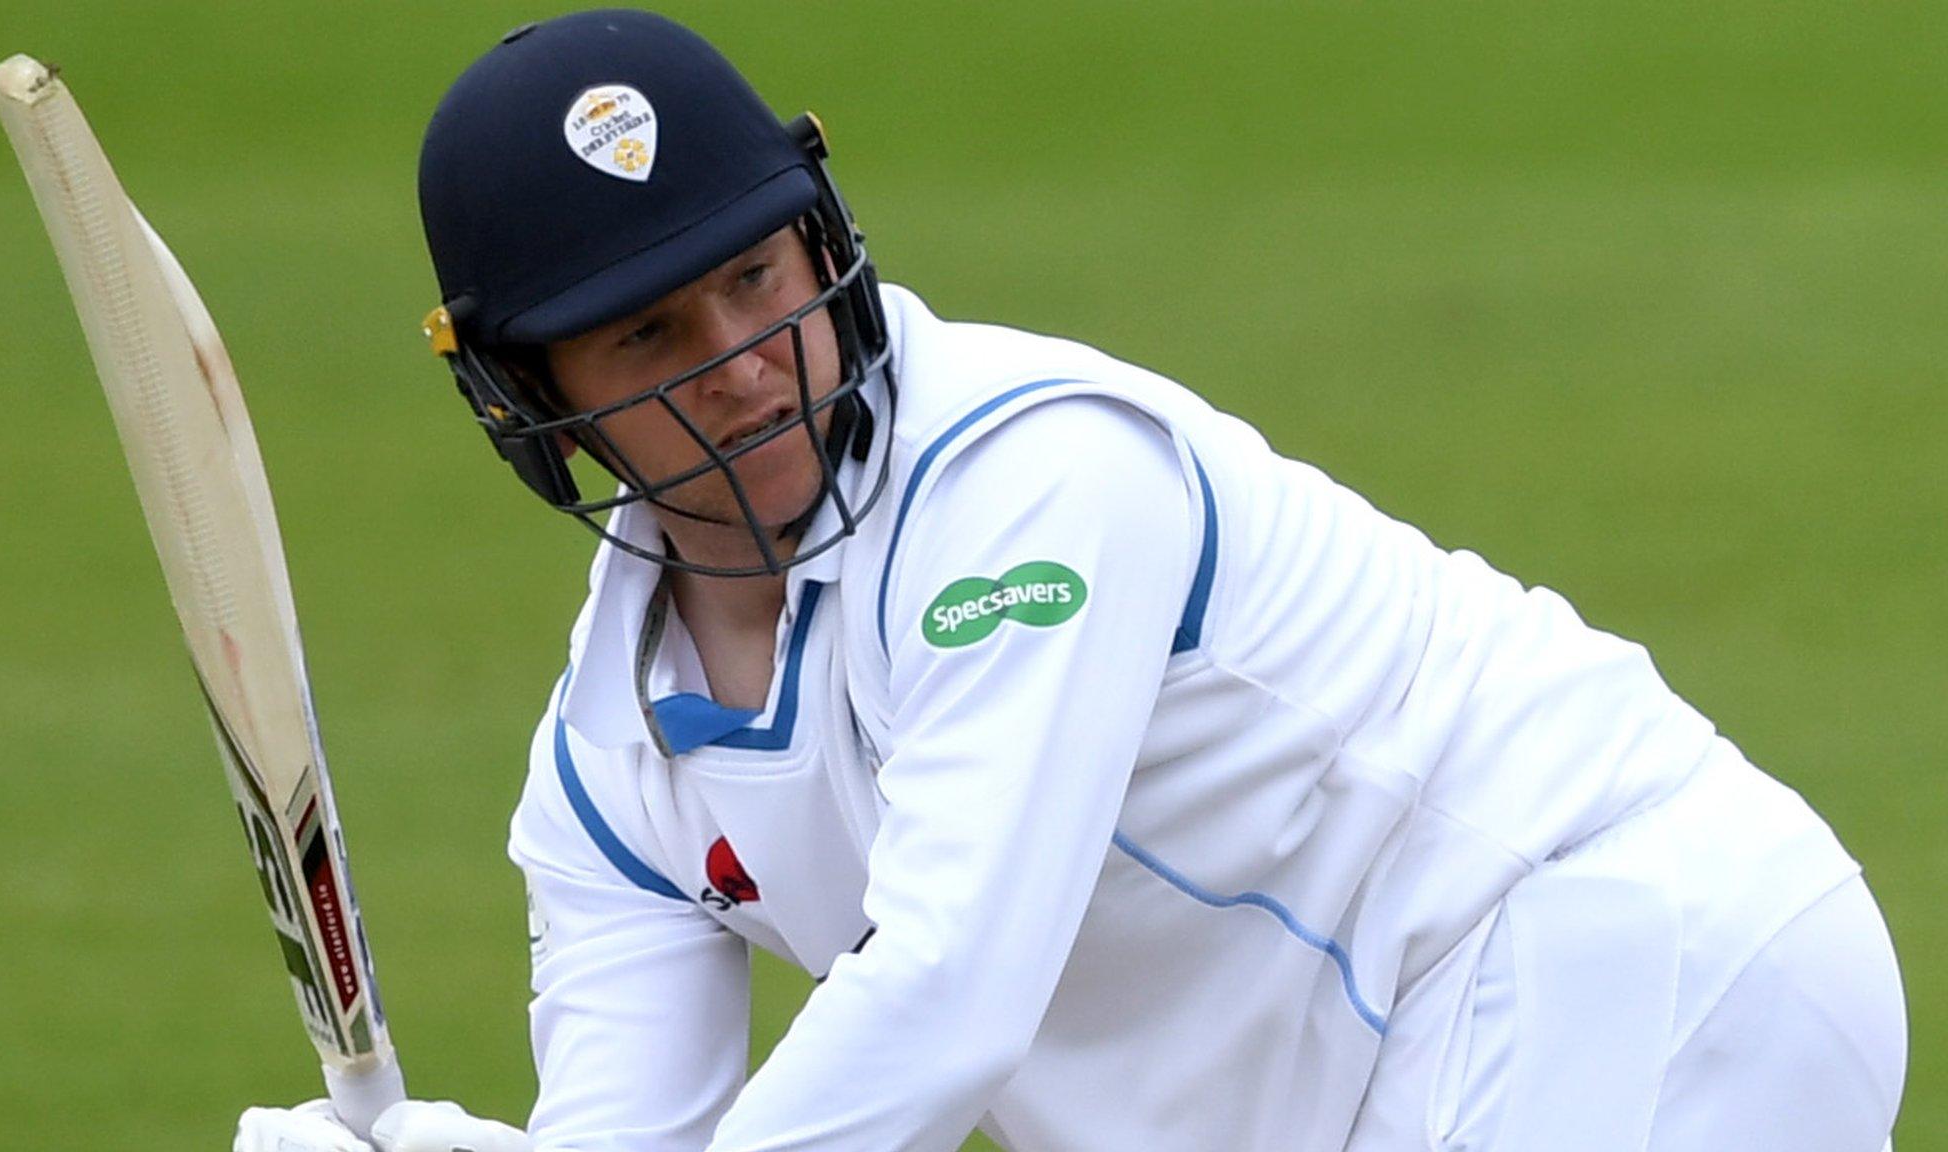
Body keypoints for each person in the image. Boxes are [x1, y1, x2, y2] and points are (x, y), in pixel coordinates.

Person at [237, 9, 1907, 1152]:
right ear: (536, 397)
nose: (741, 363)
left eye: (754, 280)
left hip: (1617, 947)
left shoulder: (1030, 489)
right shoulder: (611, 775)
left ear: (820, 246)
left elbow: (946, 1007)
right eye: (651, 334)